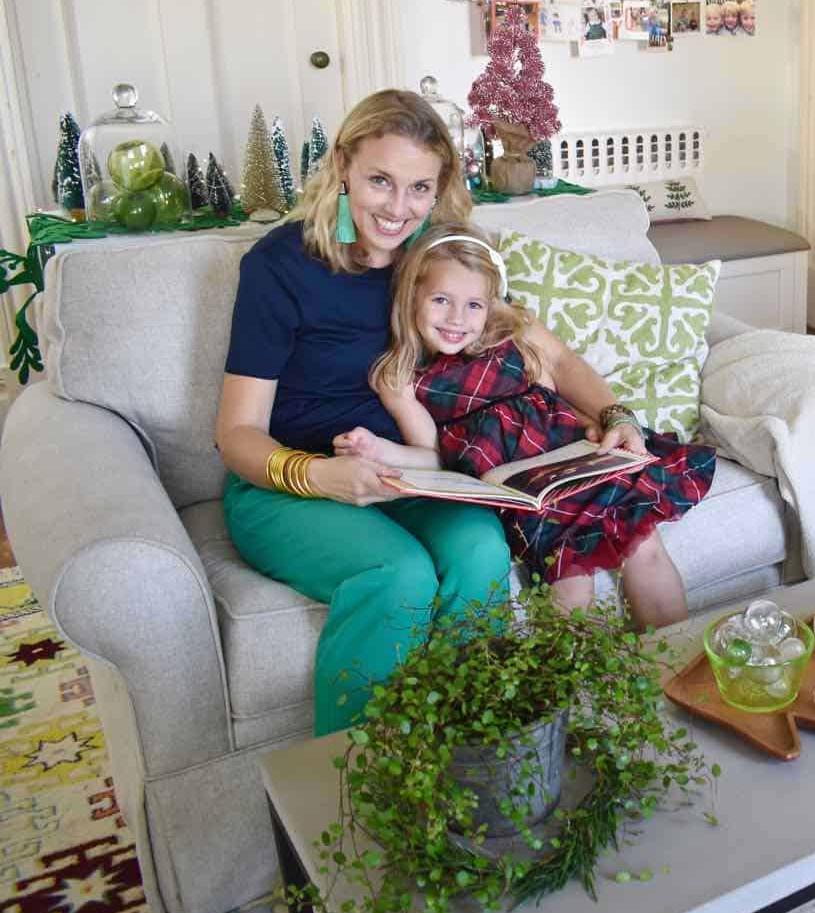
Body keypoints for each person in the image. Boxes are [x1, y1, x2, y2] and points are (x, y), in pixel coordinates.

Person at [216, 90, 512, 737]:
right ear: (344, 164)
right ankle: (355, 796)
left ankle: (471, 752)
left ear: (439, 191)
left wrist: (610, 412)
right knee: (398, 574)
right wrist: (322, 476)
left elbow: (533, 343)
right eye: (380, 180)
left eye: (418, 188)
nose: (397, 208)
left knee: (484, 551)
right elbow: (236, 435)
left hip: (402, 473)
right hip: (286, 484)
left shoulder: (435, 261)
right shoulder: (280, 266)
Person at [342, 221, 714, 628]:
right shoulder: (404, 376)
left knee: (644, 545)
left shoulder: (511, 332)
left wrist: (603, 418)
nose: (456, 318)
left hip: (575, 457)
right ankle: (563, 690)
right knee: (568, 580)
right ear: (411, 295)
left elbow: (564, 372)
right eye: (441, 300)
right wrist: (377, 449)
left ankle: (677, 670)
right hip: (522, 492)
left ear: (491, 304)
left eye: (473, 305)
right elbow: (432, 455)